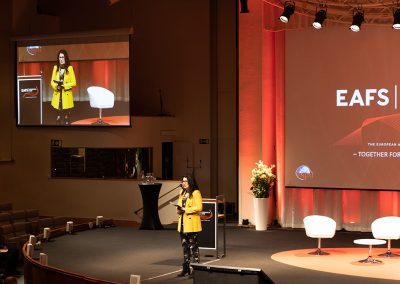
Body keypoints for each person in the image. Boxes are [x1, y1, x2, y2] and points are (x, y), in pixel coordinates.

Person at [176, 175, 202, 277]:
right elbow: (179, 206)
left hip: (192, 224)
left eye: (186, 181)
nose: (184, 183)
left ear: (190, 182)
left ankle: (196, 269)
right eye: (183, 181)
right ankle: (186, 268)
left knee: (193, 247)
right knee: (185, 247)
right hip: (183, 224)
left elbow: (199, 207)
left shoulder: (196, 193)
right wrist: (178, 209)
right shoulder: (182, 192)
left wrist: (185, 210)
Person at [50, 49, 76, 125]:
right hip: (57, 94)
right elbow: (52, 81)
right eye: (60, 57)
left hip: (66, 94)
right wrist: (56, 86)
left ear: (66, 58)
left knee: (66, 117)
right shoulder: (55, 68)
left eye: (63, 57)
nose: (61, 59)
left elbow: (74, 82)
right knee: (57, 117)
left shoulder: (69, 68)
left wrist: (65, 86)